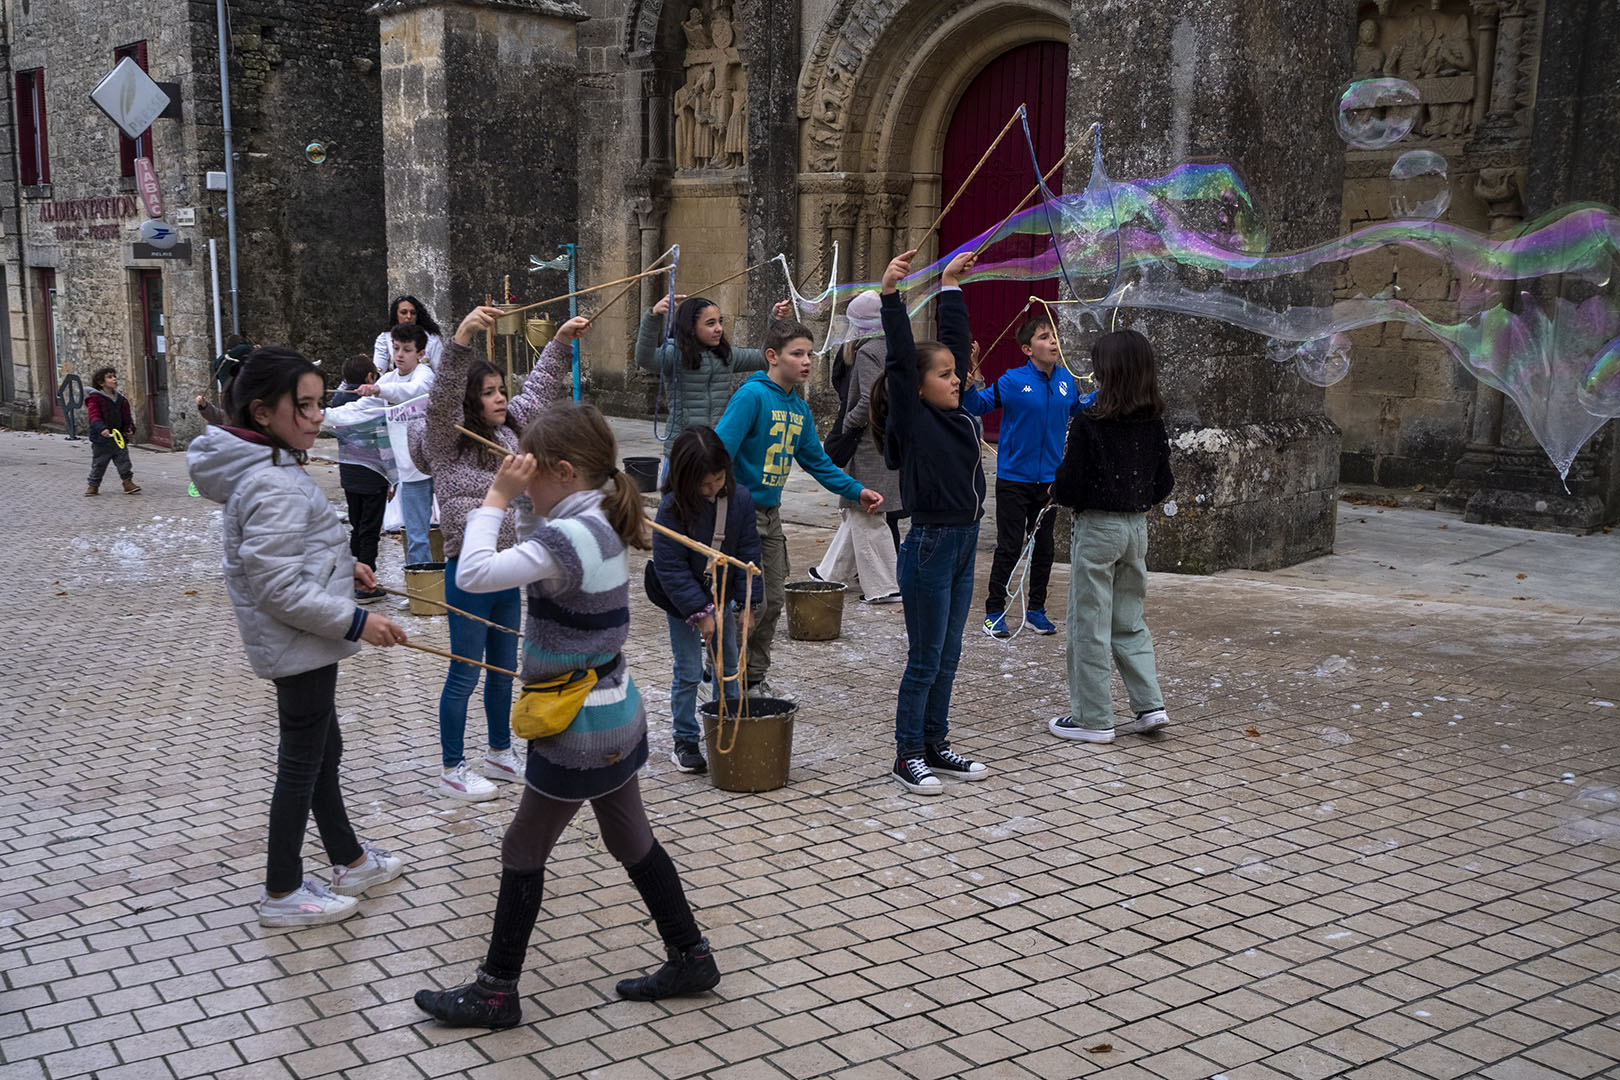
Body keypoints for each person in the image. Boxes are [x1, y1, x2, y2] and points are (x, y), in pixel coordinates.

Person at [415, 403, 718, 1029]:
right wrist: (524, 498)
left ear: (562, 471)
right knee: (629, 837)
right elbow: (538, 534)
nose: (525, 487)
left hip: (577, 727)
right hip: (613, 711)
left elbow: (473, 572)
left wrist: (496, 498)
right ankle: (692, 957)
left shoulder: (570, 536)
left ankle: (496, 991)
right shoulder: (598, 516)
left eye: (534, 476)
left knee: (522, 845)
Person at [187, 348, 410, 927]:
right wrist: (360, 621)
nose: (317, 416)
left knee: (321, 753)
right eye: (303, 406)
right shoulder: (273, 481)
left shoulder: (275, 466)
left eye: (318, 403)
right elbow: (278, 589)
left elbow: (290, 556)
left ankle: (349, 859)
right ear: (262, 413)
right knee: (301, 764)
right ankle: (282, 890)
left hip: (304, 640)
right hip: (297, 641)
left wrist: (345, 566)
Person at [411, 303, 590, 801]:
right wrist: (461, 339)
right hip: (467, 575)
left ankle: (498, 752)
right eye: (488, 392)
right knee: (464, 672)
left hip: (506, 573)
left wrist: (560, 341)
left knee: (501, 671)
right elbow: (442, 399)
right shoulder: (447, 440)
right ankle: (452, 767)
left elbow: (537, 392)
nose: (499, 397)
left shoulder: (510, 431)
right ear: (469, 400)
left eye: (500, 389)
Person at [873, 249, 991, 795]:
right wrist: (891, 296)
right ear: (916, 389)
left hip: (965, 542)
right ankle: (907, 755)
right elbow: (901, 358)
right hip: (930, 547)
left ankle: (936, 743)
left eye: (955, 373)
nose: (957, 380)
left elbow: (959, 350)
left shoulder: (959, 414)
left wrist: (950, 285)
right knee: (924, 658)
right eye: (943, 376)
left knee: (949, 654)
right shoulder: (915, 419)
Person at [714, 319, 882, 701]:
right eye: (797, 354)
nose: (807, 361)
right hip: (739, 514)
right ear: (772, 356)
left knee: (773, 600)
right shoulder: (752, 396)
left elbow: (818, 462)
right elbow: (719, 452)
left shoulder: (800, 409)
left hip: (770, 517)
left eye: (809, 353)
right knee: (746, 603)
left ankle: (754, 680)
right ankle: (725, 676)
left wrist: (856, 491)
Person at [1047, 328, 1175, 744]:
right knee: (1129, 620)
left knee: (1089, 623)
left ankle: (1093, 717)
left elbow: (1071, 484)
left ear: (1108, 372)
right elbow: (1163, 482)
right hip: (1136, 528)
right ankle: (1150, 705)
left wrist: (1057, 490)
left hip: (1098, 528)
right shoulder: (1152, 422)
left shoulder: (1090, 421)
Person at [963, 313, 1092, 637]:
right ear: (1027, 349)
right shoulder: (1012, 380)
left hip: (1050, 482)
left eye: (1054, 336)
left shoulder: (1066, 381)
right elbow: (977, 406)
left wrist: (1105, 392)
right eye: (1044, 337)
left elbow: (1077, 408)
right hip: (1014, 480)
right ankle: (994, 612)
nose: (1053, 341)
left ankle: (1036, 610)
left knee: (1044, 548)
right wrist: (969, 383)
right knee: (1009, 546)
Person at [647, 426, 762, 773]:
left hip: (724, 597)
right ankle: (685, 739)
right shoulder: (672, 509)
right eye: (704, 484)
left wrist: (748, 605)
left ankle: (729, 727)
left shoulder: (740, 500)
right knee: (688, 671)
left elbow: (748, 553)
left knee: (729, 668)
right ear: (685, 480)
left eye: (718, 479)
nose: (713, 489)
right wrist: (700, 612)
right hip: (682, 603)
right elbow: (670, 568)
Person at [810, 290, 902, 603]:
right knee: (856, 509)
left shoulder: (868, 351)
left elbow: (871, 398)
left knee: (867, 511)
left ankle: (885, 586)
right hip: (884, 438)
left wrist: (848, 423)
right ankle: (830, 573)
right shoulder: (893, 345)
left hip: (868, 443)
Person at [633, 292, 792, 457]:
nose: (719, 328)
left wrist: (776, 321)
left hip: (718, 445)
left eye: (720, 321)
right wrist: (654, 315)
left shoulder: (726, 356)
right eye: (710, 323)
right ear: (691, 328)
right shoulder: (675, 354)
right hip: (684, 449)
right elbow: (645, 359)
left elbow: (765, 358)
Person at [367, 324, 436, 567]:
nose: (399, 355)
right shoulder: (387, 380)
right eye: (396, 348)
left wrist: (379, 389)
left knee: (455, 530)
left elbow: (412, 391)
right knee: (416, 535)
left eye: (407, 350)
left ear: (420, 353)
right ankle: (422, 582)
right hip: (410, 471)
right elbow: (365, 408)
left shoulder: (425, 376)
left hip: (437, 464)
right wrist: (327, 414)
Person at [326, 355, 389, 602]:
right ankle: (367, 582)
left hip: (349, 474)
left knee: (357, 527)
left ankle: (352, 577)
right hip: (374, 475)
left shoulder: (338, 400)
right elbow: (383, 438)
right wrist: (391, 474)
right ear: (369, 377)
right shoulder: (373, 402)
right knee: (370, 530)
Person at [84, 367, 139, 495]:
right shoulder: (95, 399)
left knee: (124, 461)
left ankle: (128, 483)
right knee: (99, 463)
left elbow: (126, 417)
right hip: (102, 440)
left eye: (114, 376)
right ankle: (93, 485)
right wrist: (102, 428)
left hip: (119, 438)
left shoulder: (121, 400)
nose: (114, 379)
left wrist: (130, 429)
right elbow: (94, 416)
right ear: (101, 382)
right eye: (109, 377)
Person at [373, 295, 444, 373]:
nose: (409, 316)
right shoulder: (385, 338)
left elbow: (439, 370)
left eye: (413, 313)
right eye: (404, 312)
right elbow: (379, 369)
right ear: (396, 315)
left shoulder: (432, 339)